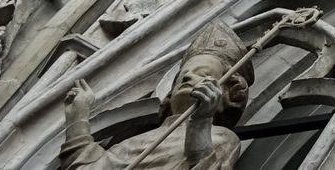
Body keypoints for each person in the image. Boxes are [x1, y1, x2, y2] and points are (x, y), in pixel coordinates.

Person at [61, 22, 249, 169]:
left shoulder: (222, 137)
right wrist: (77, 117)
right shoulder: (137, 141)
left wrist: (201, 122)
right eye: (183, 76)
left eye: (203, 74)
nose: (189, 76)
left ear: (228, 95)